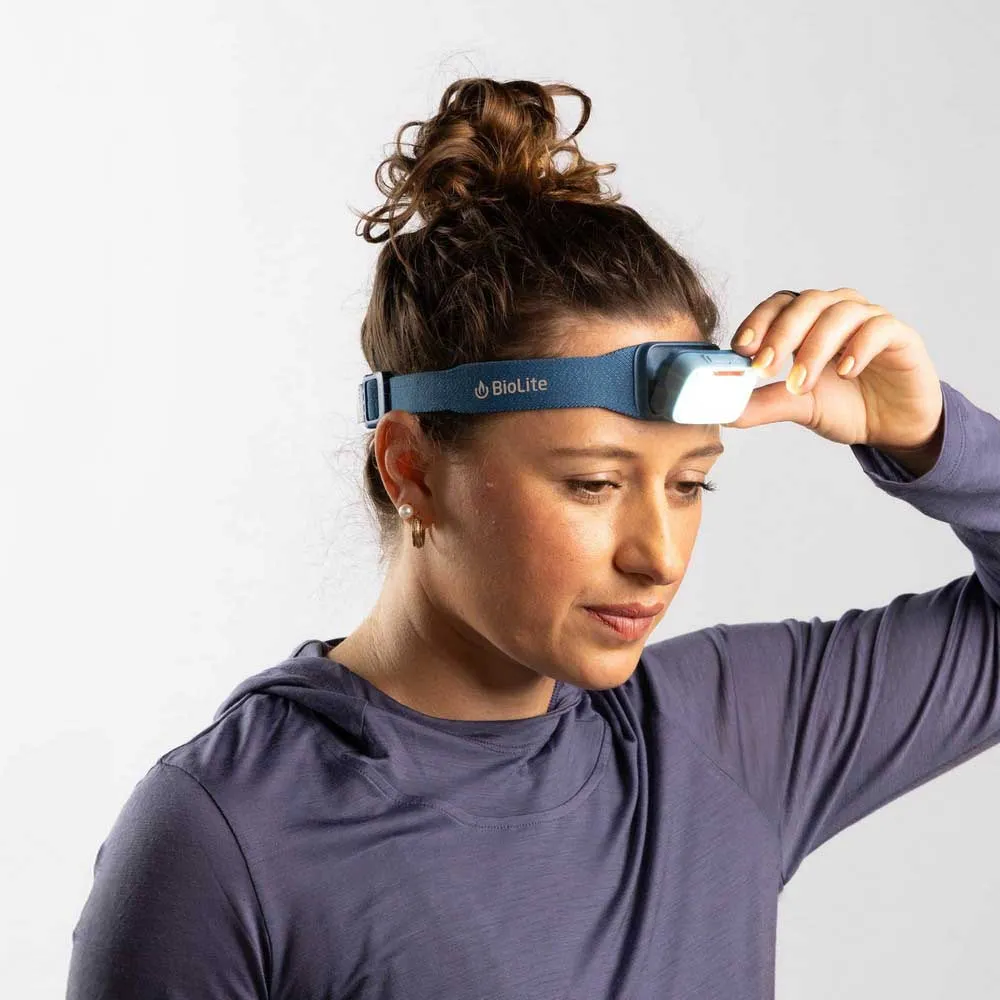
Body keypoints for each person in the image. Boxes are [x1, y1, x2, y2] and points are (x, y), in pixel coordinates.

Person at [65, 77, 1000, 1000]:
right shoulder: (225, 837)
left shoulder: (730, 739)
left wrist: (930, 437)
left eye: (689, 484)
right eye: (593, 484)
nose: (660, 556)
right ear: (412, 470)